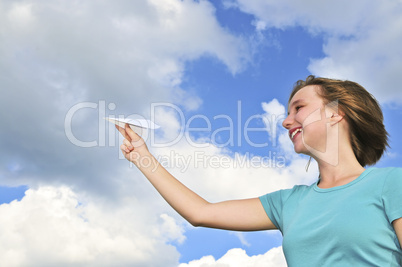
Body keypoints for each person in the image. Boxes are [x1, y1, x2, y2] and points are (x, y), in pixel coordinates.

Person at [116, 75, 402, 266]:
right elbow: (201, 212)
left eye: (298, 108)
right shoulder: (288, 203)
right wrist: (143, 156)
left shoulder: (392, 183)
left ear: (336, 112)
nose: (286, 122)